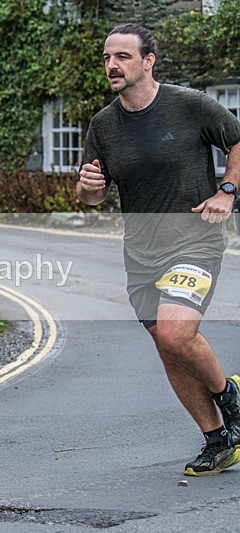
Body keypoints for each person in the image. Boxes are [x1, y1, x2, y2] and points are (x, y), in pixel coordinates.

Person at [77, 23, 240, 477]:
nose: (112, 65)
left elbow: (238, 140)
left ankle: (231, 399)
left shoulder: (189, 105)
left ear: (148, 61)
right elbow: (92, 193)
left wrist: (227, 190)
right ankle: (218, 440)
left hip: (195, 239)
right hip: (140, 253)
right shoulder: (104, 125)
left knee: (175, 334)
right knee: (168, 349)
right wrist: (88, 187)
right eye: (108, 57)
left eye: (123, 57)